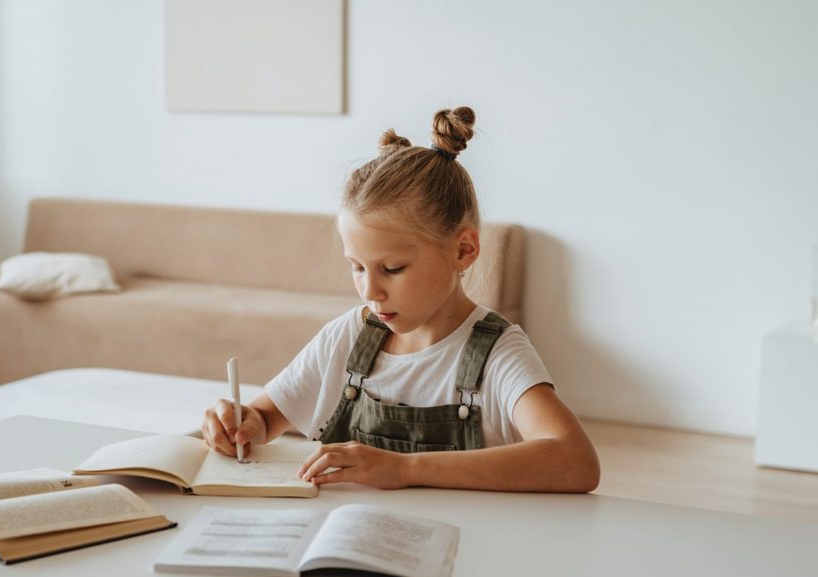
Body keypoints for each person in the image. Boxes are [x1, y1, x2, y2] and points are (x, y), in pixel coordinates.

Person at [202, 107, 600, 493]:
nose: (370, 291)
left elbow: (576, 461)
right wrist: (244, 422)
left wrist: (404, 468)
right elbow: (267, 416)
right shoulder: (348, 337)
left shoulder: (498, 354)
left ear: (463, 250)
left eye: (391, 269)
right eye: (357, 267)